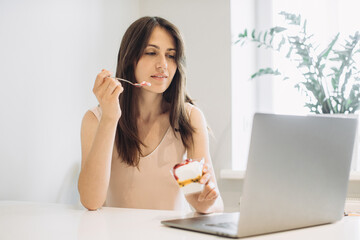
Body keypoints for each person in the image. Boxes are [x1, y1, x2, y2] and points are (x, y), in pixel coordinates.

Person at [78, 16, 224, 214]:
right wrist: (110, 118)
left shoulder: (189, 118)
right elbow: (91, 201)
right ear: (130, 59)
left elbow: (210, 201)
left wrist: (204, 202)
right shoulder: (95, 119)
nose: (163, 64)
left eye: (171, 56)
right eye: (151, 52)